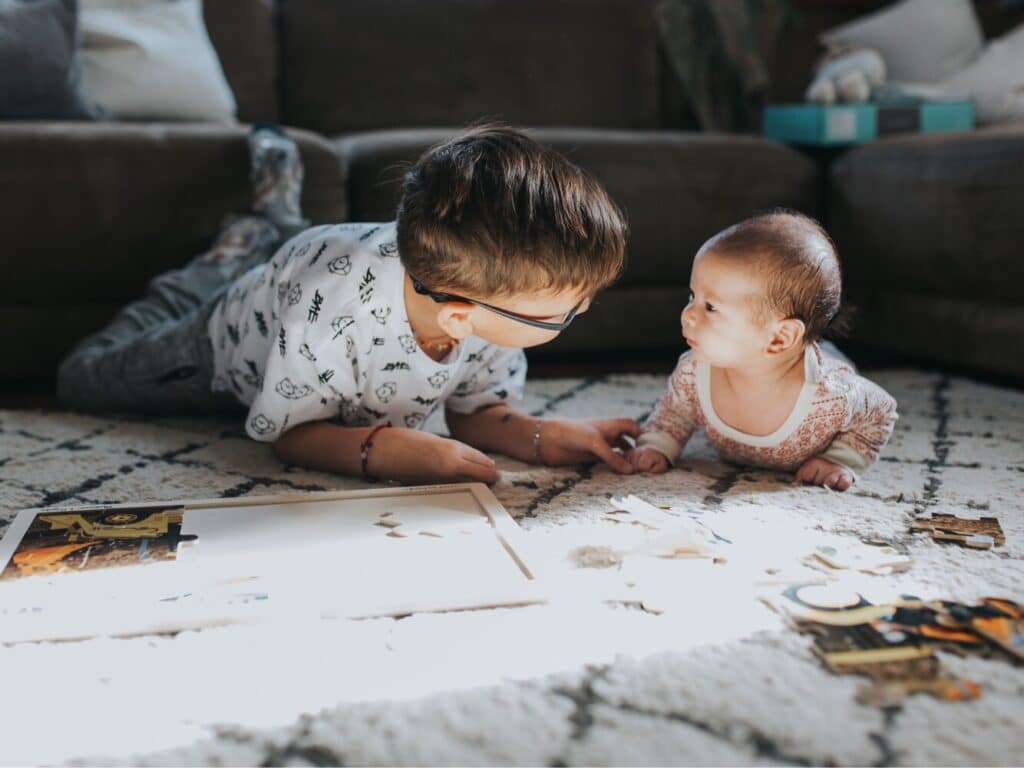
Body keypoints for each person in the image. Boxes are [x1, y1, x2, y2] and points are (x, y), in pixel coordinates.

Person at [58, 125, 640, 484]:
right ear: (459, 316)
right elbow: (288, 434)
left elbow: (472, 412)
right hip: (227, 336)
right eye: (564, 312)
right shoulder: (333, 314)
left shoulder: (481, 304)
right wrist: (384, 451)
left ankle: (269, 228)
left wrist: (541, 435)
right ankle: (222, 260)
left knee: (285, 255)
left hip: (305, 276)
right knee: (83, 377)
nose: (582, 312)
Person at [626, 211, 897, 490]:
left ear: (779, 338)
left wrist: (840, 460)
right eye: (692, 296)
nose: (687, 315)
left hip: (825, 361)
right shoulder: (694, 371)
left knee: (829, 355)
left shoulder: (831, 395)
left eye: (711, 307)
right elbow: (675, 411)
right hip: (794, 350)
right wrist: (657, 445)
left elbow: (881, 411)